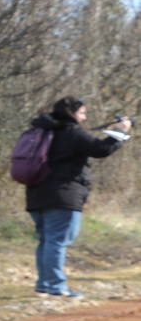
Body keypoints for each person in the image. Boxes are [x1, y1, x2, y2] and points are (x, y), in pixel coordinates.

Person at [24, 96, 130, 298]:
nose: (84, 117)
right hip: (64, 195)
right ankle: (56, 286)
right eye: (82, 113)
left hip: (36, 193)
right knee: (58, 242)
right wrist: (120, 132)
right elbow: (101, 149)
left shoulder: (42, 129)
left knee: (47, 241)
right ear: (71, 113)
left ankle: (45, 285)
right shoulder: (71, 132)